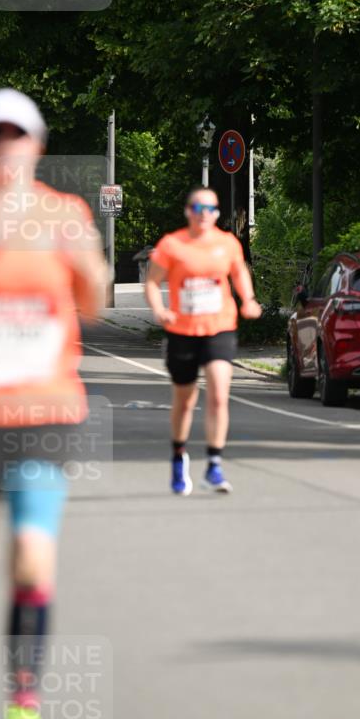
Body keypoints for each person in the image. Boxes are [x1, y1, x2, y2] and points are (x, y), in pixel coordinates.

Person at [0, 89, 107, 719]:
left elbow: (96, 303)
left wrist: (85, 258)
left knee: (30, 556)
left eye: (16, 136)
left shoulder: (65, 213)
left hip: (44, 412)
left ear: (36, 145)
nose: (4, 147)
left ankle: (23, 712)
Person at [145, 186, 261, 495]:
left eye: (211, 209)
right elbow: (153, 282)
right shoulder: (172, 245)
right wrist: (159, 311)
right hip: (182, 330)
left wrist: (248, 299)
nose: (204, 215)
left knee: (220, 395)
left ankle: (214, 464)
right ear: (188, 212)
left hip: (219, 327)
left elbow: (239, 273)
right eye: (198, 208)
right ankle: (178, 456)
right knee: (186, 401)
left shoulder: (227, 244)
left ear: (217, 214)